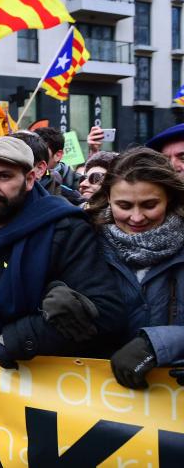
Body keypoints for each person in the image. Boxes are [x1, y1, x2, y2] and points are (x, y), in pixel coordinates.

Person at [0, 137, 126, 368]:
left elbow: (106, 311)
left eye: (4, 176)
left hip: (33, 384)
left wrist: (20, 338)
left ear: (30, 179)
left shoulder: (65, 228)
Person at [84, 148, 184, 389]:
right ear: (108, 197)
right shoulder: (84, 242)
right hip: (92, 397)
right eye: (124, 205)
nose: (137, 218)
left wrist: (158, 344)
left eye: (149, 205)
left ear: (168, 197)